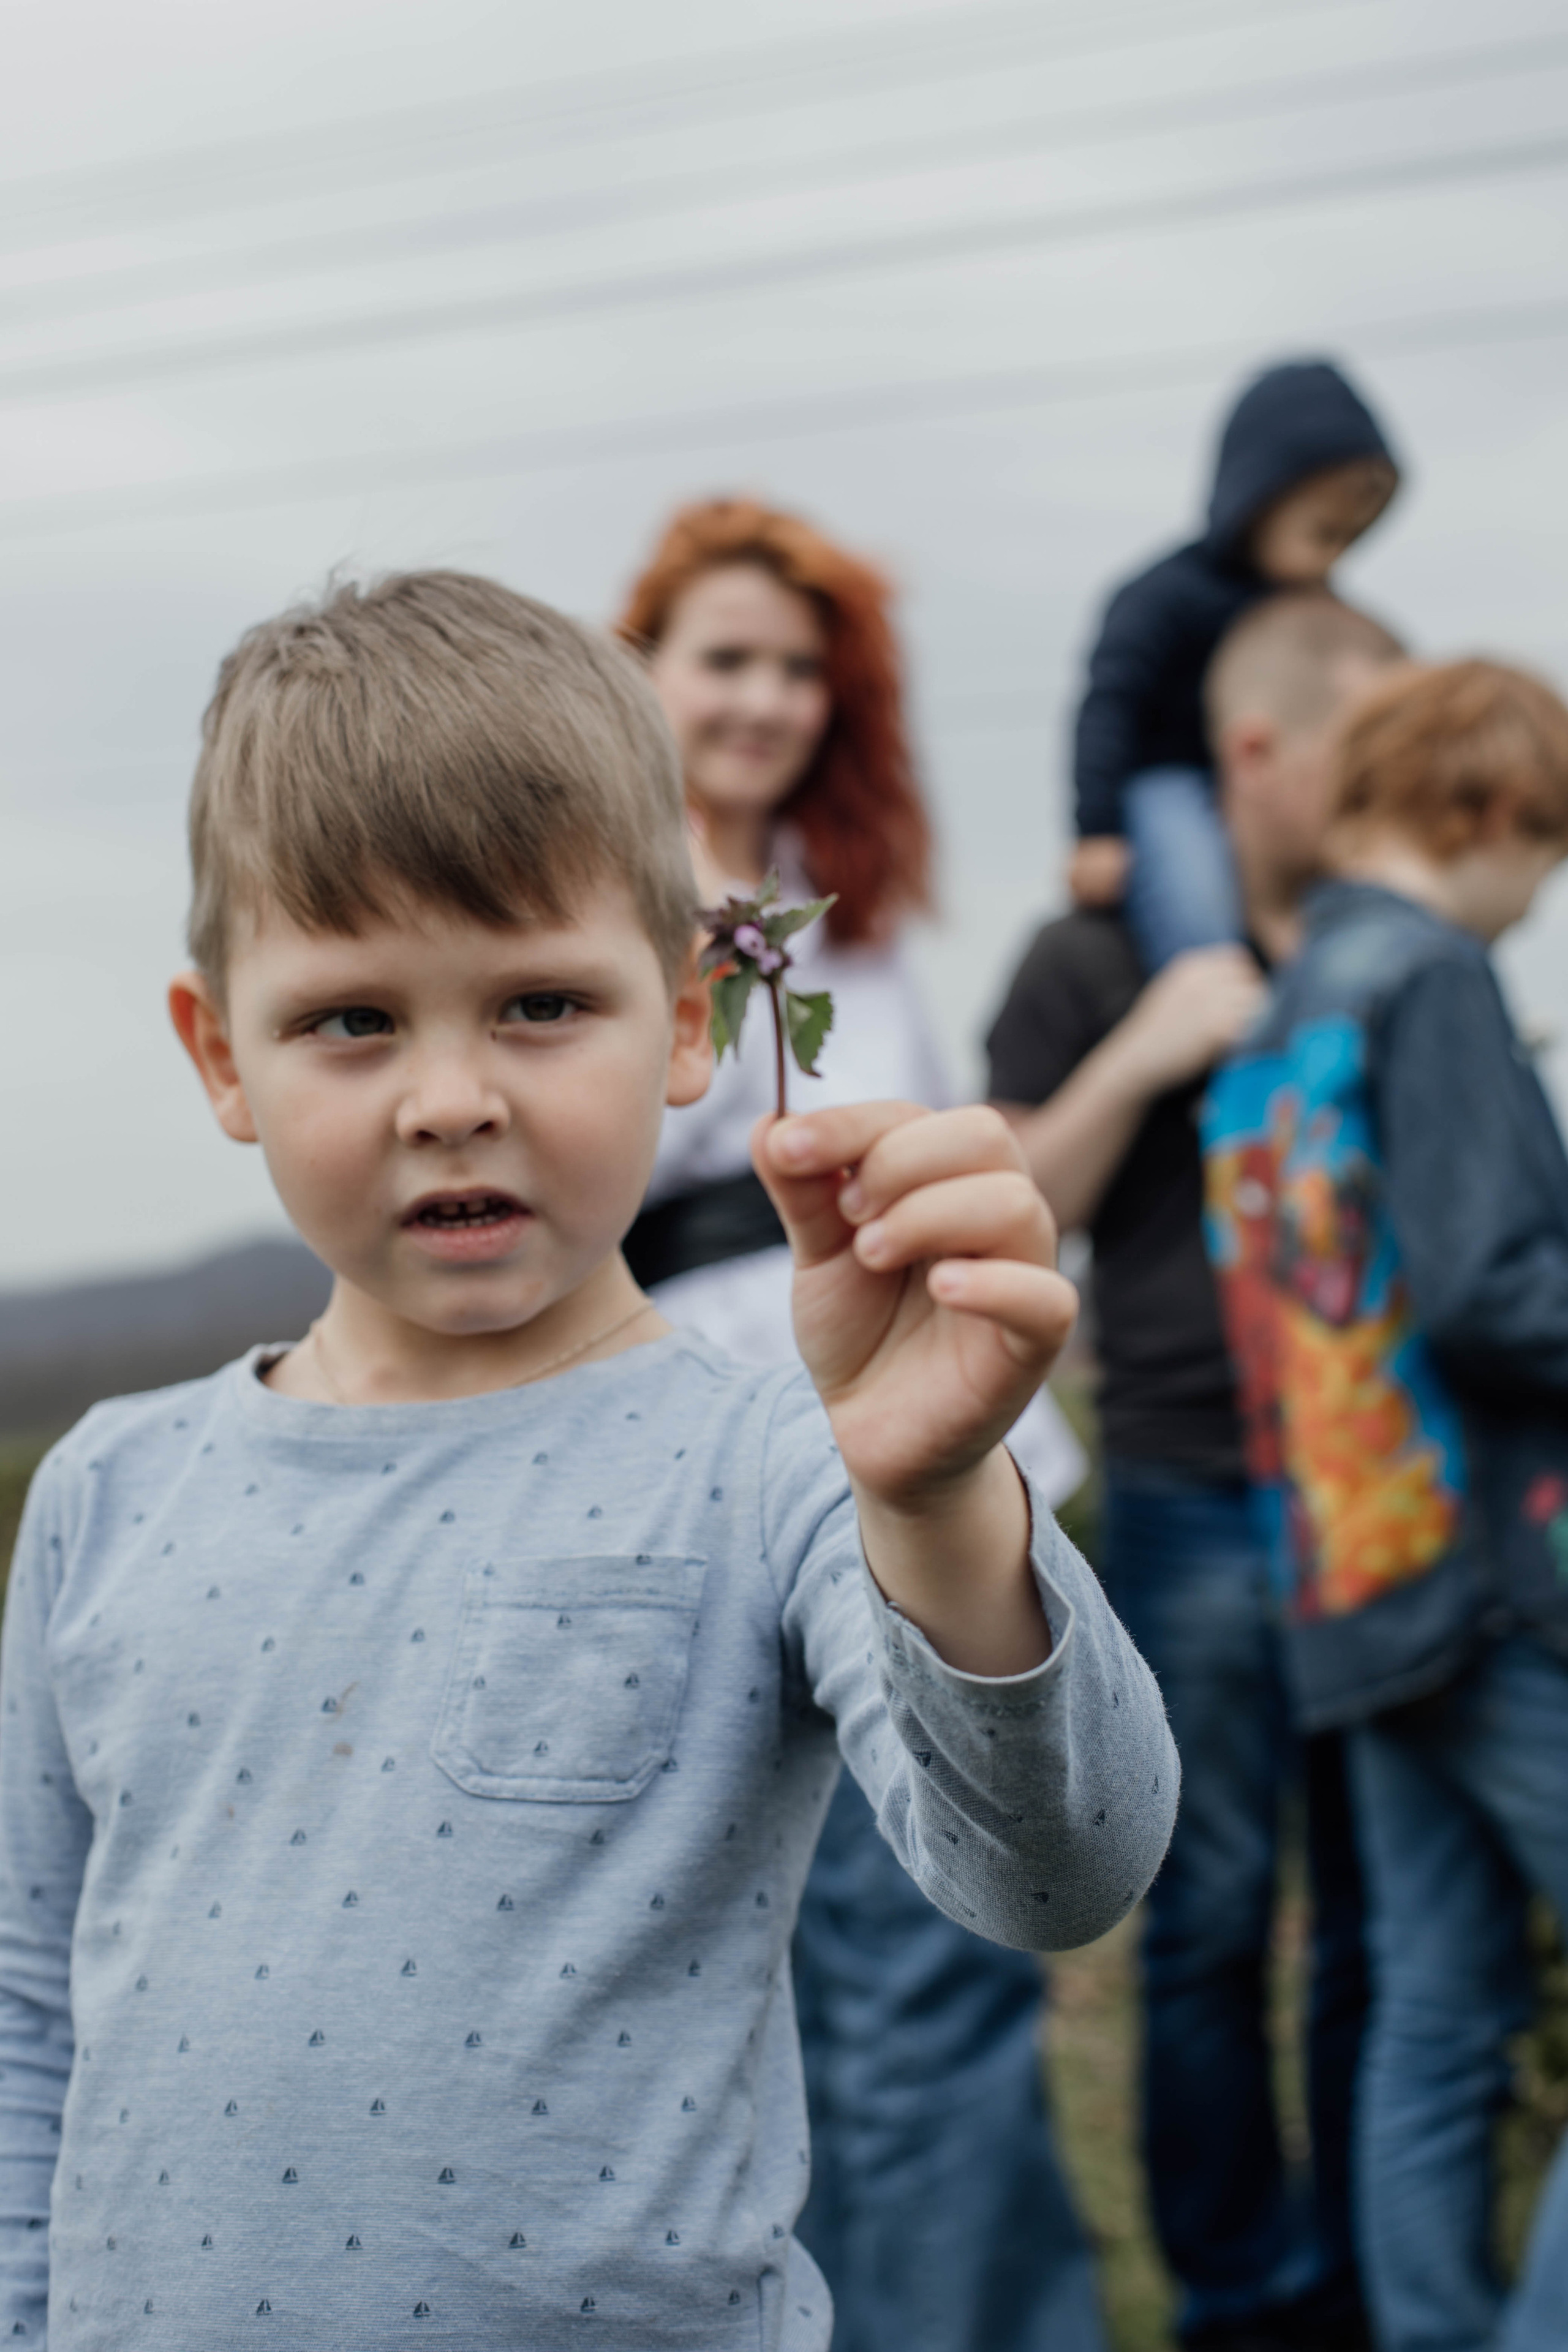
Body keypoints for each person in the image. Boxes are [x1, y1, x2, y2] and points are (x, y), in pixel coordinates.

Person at [0, 571, 1175, 2350]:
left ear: (692, 1017)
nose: (449, 1093)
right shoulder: (108, 1490)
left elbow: (1059, 1867)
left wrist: (935, 1494)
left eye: (541, 1003)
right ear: (216, 1048)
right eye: (349, 1018)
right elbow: (30, 2011)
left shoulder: (773, 1455)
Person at [617, 497, 1097, 2352]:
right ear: (642, 668)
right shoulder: (595, 887)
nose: (764, 698)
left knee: (940, 1954)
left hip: (933, 1433)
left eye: (801, 667)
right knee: (868, 1979)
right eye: (724, 655)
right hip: (734, 1449)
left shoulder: (848, 908)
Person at [988, 591, 1406, 2352]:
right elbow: (1009, 1203)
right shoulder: (1086, 961)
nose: (1395, 781)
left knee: (1381, 1923)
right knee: (1217, 1920)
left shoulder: (1394, 955)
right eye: (1363, 743)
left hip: (1379, 1497)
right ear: (1256, 754)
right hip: (1191, 1492)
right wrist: (1153, 1041)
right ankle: (1246, 2306)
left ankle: (1378, 2288)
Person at [1202, 658, 1568, 2352]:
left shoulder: (1286, 1008)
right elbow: (1499, 1294)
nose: (1541, 896)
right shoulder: (1434, 977)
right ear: (1495, 816)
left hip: (1349, 1578)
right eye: (1549, 854)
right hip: (1496, 1578)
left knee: (1439, 2005)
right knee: (1439, 2000)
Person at [1069, 356, 1400, 971]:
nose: (1333, 556)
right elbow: (1108, 703)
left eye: (1348, 540)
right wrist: (1098, 830)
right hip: (1172, 776)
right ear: (1259, 498)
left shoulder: (1319, 614)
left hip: (1275, 787)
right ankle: (1211, 994)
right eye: (1322, 532)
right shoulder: (1163, 595)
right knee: (1194, 883)